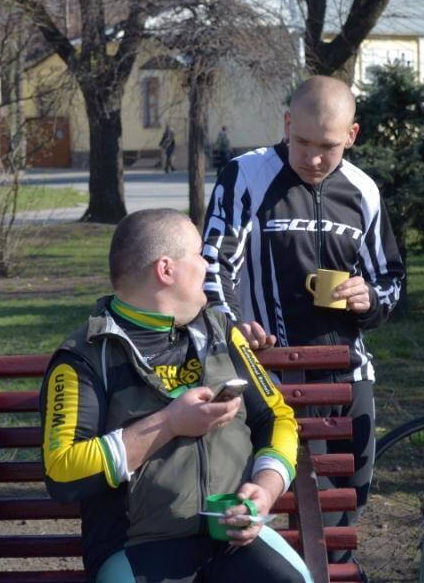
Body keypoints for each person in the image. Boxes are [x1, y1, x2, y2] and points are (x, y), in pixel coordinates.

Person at [40, 208, 311, 583]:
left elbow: (277, 417)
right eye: (198, 255)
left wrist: (264, 490)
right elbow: (62, 470)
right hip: (135, 549)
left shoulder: (223, 332)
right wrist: (169, 423)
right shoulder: (84, 356)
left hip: (233, 538)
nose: (207, 266)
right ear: (166, 269)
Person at [201, 75, 405, 566]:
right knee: (265, 507)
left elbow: (391, 280)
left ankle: (332, 573)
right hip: (267, 376)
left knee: (343, 509)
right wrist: (234, 327)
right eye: (303, 142)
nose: (313, 158)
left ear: (352, 135)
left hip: (346, 376)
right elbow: (212, 266)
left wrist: (368, 298)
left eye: (327, 147)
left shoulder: (363, 191)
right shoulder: (245, 176)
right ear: (287, 123)